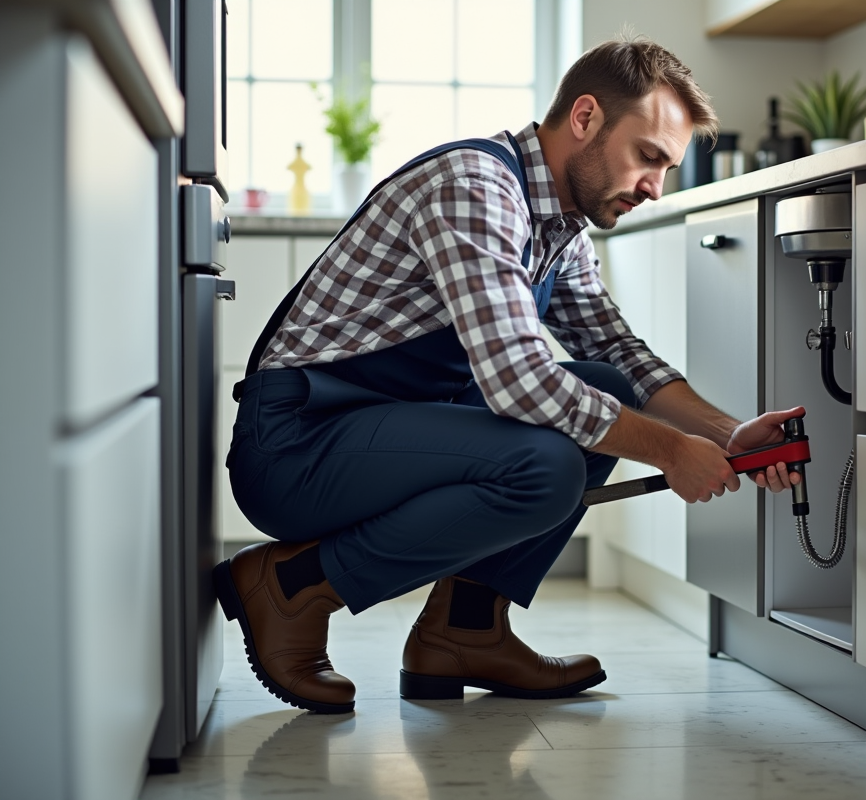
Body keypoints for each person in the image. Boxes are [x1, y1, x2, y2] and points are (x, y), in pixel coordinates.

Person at [214, 35, 805, 715]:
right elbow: (520, 381)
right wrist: (672, 451)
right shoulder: (476, 186)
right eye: (647, 158)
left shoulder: (561, 227)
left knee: (602, 390)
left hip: (376, 429)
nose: (654, 187)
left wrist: (731, 435)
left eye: (666, 168)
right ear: (585, 118)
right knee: (545, 465)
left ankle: (465, 632)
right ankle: (293, 586)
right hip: (296, 448)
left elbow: (618, 354)